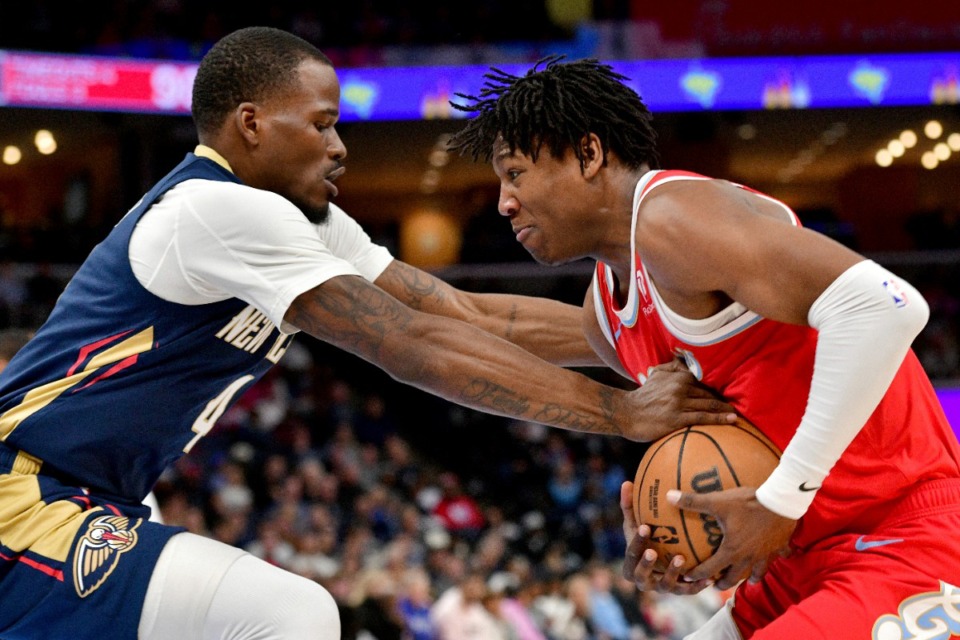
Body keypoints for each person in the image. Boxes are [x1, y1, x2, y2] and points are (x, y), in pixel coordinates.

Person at [0, 29, 736, 640]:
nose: (340, 146)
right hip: (25, 495)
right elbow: (407, 344)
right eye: (321, 124)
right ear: (251, 124)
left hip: (95, 493)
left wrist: (657, 333)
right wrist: (615, 411)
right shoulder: (214, 209)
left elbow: (462, 316)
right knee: (294, 613)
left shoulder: (304, 220)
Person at [448, 56, 960, 639]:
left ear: (588, 155)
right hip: (797, 559)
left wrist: (780, 501)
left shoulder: (672, 217)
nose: (502, 202)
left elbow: (886, 306)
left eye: (514, 174)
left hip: (905, 534)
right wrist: (681, 540)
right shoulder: (607, 312)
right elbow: (477, 320)